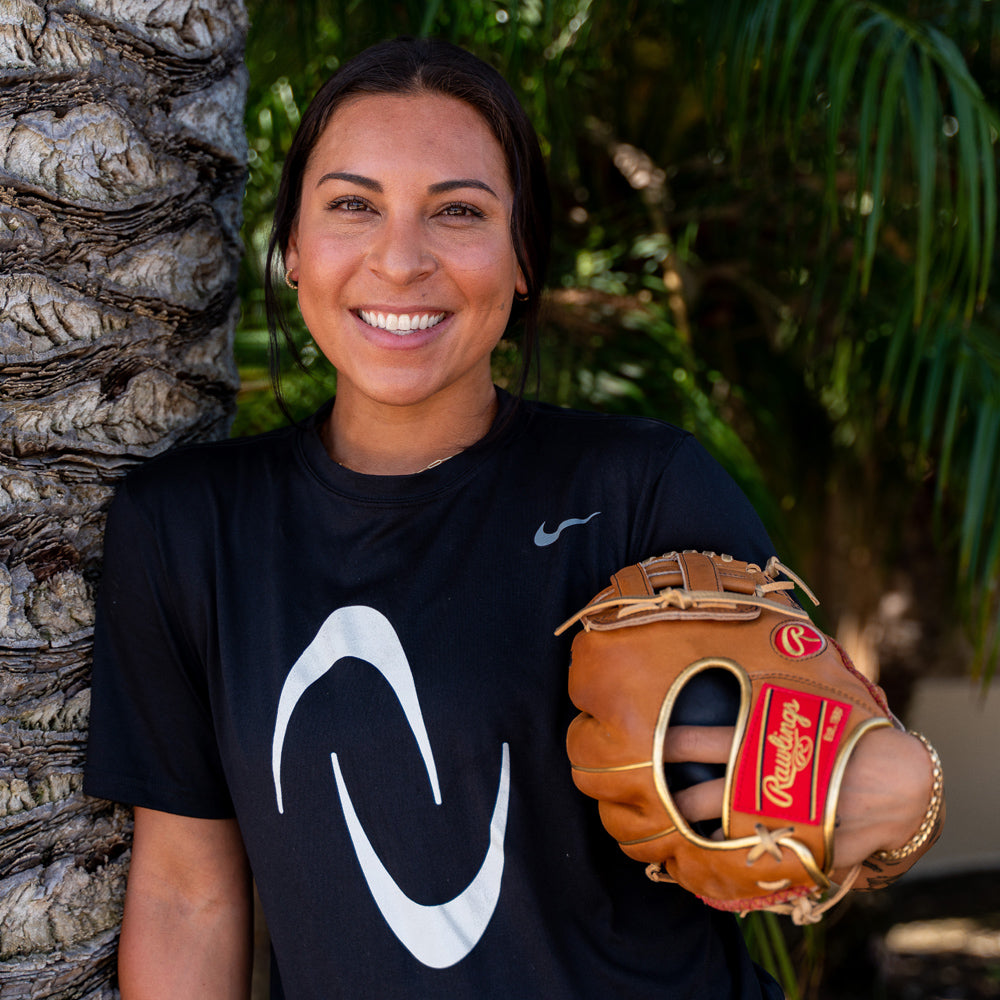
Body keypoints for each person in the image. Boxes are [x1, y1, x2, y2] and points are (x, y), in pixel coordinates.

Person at [84, 36, 941, 1000]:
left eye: (458, 211)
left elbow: (823, 789)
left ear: (523, 256)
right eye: (353, 205)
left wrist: (910, 798)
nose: (399, 260)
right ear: (290, 247)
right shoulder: (187, 530)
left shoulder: (643, 490)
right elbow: (185, 895)